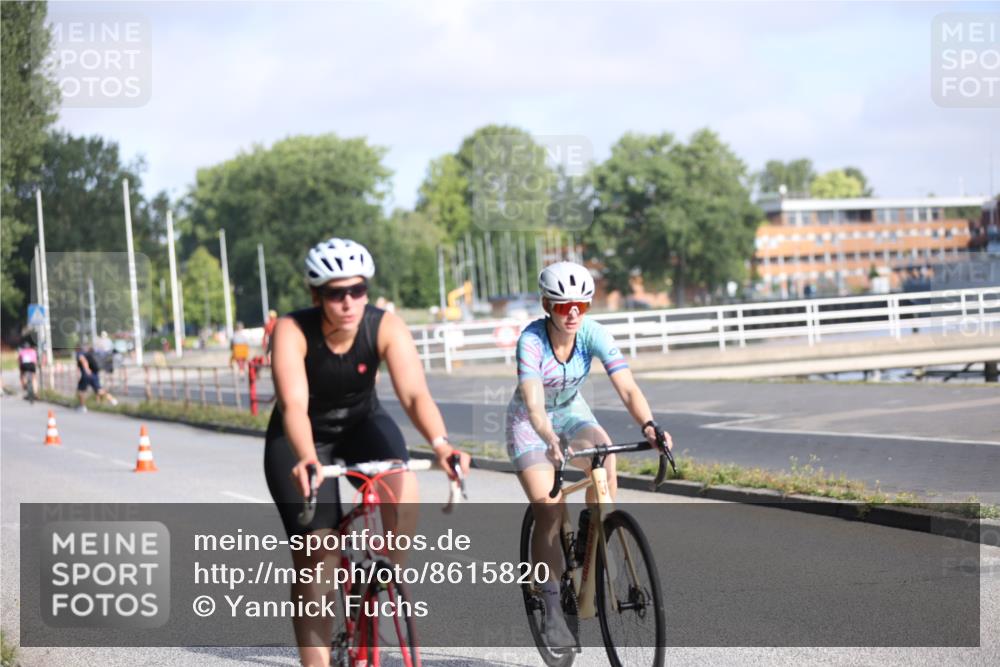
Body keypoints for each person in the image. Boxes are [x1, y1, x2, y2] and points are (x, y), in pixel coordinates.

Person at [264, 237, 470, 666]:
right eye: (337, 293)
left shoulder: (386, 325)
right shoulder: (291, 330)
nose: (349, 302)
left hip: (362, 425)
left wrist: (441, 444)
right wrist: (307, 456)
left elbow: (414, 395)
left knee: (405, 489)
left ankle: (374, 584)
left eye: (357, 290)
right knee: (317, 565)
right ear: (316, 295)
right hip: (302, 439)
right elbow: (294, 406)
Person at [506, 261, 674, 649]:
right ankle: (550, 610)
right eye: (565, 306)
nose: (574, 313)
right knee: (548, 507)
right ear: (547, 305)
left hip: (571, 411)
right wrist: (548, 437)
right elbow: (533, 405)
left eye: (583, 305)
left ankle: (594, 537)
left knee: (606, 456)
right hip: (531, 424)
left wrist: (650, 426)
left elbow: (628, 389)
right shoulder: (531, 341)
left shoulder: (593, 334)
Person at [76, 342, 118, 411]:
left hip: (86, 375)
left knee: (81, 391)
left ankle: (83, 407)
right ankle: (112, 400)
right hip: (94, 375)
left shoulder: (80, 354)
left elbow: (83, 361)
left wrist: (87, 370)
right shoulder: (88, 354)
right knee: (99, 390)